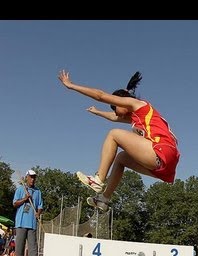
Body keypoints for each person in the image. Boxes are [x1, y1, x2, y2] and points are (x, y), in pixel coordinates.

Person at [58, 70, 181, 211]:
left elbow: (101, 95)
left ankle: (98, 179)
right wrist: (98, 112)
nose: (115, 112)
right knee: (121, 158)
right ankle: (104, 199)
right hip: (166, 163)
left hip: (161, 151)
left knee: (113, 134)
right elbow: (114, 117)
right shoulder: (139, 116)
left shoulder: (136, 104)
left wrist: (71, 86)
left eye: (114, 106)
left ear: (121, 100)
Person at [12, 170, 43, 256]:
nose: (33, 179)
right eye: (31, 177)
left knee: (33, 241)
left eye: (34, 177)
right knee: (20, 240)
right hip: (21, 220)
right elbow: (15, 203)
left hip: (32, 220)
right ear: (27, 177)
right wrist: (24, 199)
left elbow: (40, 206)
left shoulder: (38, 191)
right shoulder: (21, 189)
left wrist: (38, 213)